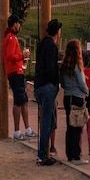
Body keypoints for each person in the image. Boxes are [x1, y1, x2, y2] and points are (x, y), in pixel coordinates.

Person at [33, 20, 62, 167]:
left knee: (49, 121)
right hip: (47, 87)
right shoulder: (51, 46)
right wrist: (55, 83)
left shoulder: (41, 44)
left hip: (39, 86)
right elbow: (51, 68)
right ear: (57, 32)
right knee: (46, 121)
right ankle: (42, 155)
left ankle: (44, 152)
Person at [61, 39, 88, 162]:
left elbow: (63, 83)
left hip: (67, 96)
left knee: (70, 126)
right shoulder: (77, 66)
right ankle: (76, 155)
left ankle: (70, 154)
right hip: (77, 96)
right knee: (77, 127)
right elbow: (81, 83)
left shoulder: (64, 66)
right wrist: (87, 91)